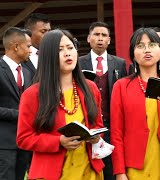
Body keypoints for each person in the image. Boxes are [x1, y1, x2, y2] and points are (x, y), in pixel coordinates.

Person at [16, 29, 105, 180]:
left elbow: (98, 125)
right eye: (60, 50)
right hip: (51, 173)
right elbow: (23, 138)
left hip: (89, 170)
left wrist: (95, 136)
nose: (68, 53)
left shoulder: (90, 88)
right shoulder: (33, 94)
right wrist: (58, 141)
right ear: (48, 57)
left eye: (70, 48)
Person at [110, 27, 160, 180]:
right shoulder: (121, 86)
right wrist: (120, 172)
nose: (147, 50)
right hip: (136, 167)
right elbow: (116, 134)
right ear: (133, 54)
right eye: (140, 45)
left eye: (152, 44)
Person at [79, 21, 127, 180]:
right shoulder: (78, 63)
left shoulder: (119, 63)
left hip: (113, 124)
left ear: (109, 40)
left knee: (112, 167)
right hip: (89, 126)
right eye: (96, 35)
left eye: (104, 35)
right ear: (88, 38)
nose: (100, 39)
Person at [0, 27, 32, 180]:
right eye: (28, 46)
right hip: (3, 144)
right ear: (16, 46)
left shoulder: (27, 72)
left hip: (24, 141)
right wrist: (21, 114)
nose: (31, 50)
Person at [23, 13, 51, 77]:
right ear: (29, 32)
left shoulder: (55, 53)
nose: (48, 35)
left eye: (49, 31)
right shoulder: (19, 55)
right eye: (43, 31)